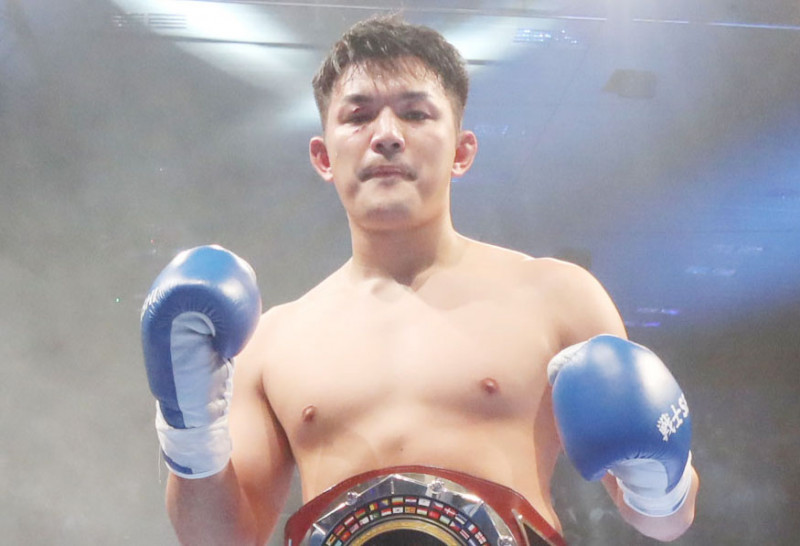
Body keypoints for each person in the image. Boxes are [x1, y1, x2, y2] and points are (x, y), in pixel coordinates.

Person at [140, 15, 699, 546]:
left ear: (461, 151)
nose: (386, 135)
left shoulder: (556, 297)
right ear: (323, 157)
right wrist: (190, 433)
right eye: (358, 116)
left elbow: (667, 522)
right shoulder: (272, 341)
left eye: (415, 113)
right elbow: (218, 540)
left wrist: (657, 483)